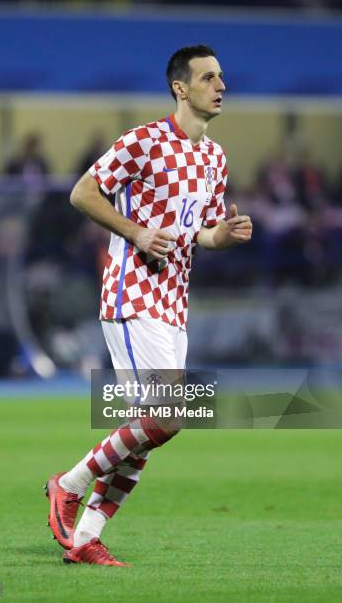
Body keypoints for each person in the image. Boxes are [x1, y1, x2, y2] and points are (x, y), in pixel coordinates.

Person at [45, 45, 252, 566]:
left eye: (221, 77)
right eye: (208, 78)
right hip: (132, 292)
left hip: (174, 300)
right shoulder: (143, 142)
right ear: (180, 88)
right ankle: (67, 484)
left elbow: (199, 234)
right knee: (169, 415)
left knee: (150, 427)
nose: (220, 85)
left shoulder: (215, 158)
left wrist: (220, 236)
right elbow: (83, 192)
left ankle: (85, 538)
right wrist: (136, 230)